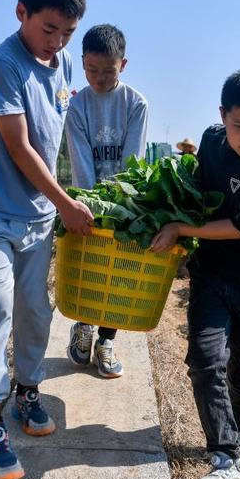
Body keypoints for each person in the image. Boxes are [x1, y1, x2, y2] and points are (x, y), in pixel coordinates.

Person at [0, 0, 93, 479]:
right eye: (48, 29)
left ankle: (28, 390)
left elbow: (60, 130)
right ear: (21, 13)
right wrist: (65, 202)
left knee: (36, 309)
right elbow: (21, 148)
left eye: (67, 33)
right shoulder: (2, 66)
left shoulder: (60, 67)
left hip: (37, 216)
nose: (56, 42)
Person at [150, 67, 240, 479]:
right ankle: (226, 459)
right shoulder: (210, 140)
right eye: (239, 126)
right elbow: (194, 185)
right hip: (211, 270)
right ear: (223, 116)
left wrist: (181, 228)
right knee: (206, 358)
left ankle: (238, 432)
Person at [63, 24, 148, 378]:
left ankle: (107, 341)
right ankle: (83, 326)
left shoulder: (135, 104)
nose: (99, 77)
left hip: (123, 203)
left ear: (123, 65)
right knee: (90, 268)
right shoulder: (77, 104)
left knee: (118, 273)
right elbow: (81, 161)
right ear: (83, 63)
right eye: (92, 70)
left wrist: (117, 207)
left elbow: (133, 162)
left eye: (108, 71)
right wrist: (90, 207)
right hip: (88, 202)